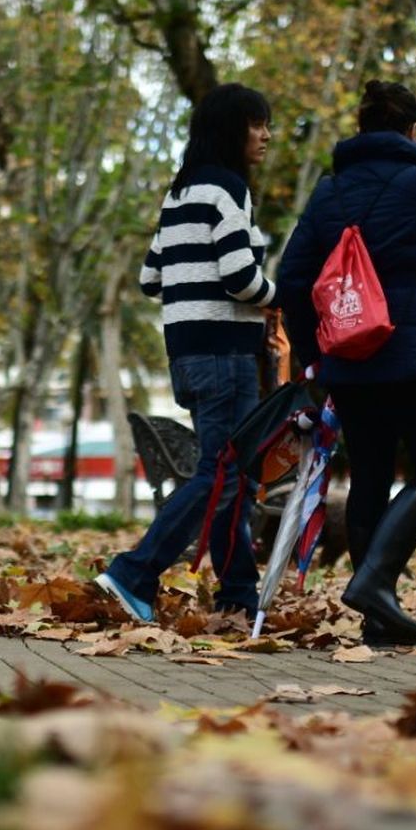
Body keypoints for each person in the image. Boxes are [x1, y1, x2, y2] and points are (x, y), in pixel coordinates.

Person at [276, 80, 416, 645]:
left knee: (372, 477)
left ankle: (379, 620)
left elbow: (290, 279)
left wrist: (314, 356)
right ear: (413, 130)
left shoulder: (329, 191)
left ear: (361, 129)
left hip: (349, 361)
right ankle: (376, 581)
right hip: (410, 355)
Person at [95, 83, 278, 624]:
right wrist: (283, 297)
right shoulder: (228, 191)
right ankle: (134, 571)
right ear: (230, 129)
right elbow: (242, 279)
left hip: (188, 354)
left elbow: (151, 277)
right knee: (219, 475)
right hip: (225, 353)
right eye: (256, 124)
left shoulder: (178, 195)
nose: (266, 135)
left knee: (232, 477)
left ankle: (239, 593)